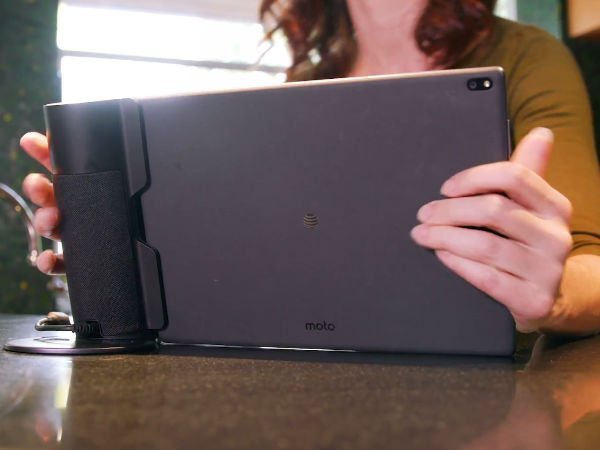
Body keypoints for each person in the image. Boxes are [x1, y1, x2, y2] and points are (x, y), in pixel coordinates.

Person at [21, 0, 600, 335]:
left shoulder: (525, 55)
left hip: (490, 395)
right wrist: (122, 255)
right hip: (330, 382)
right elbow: (276, 258)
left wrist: (551, 298)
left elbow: (589, 265)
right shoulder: (303, 86)